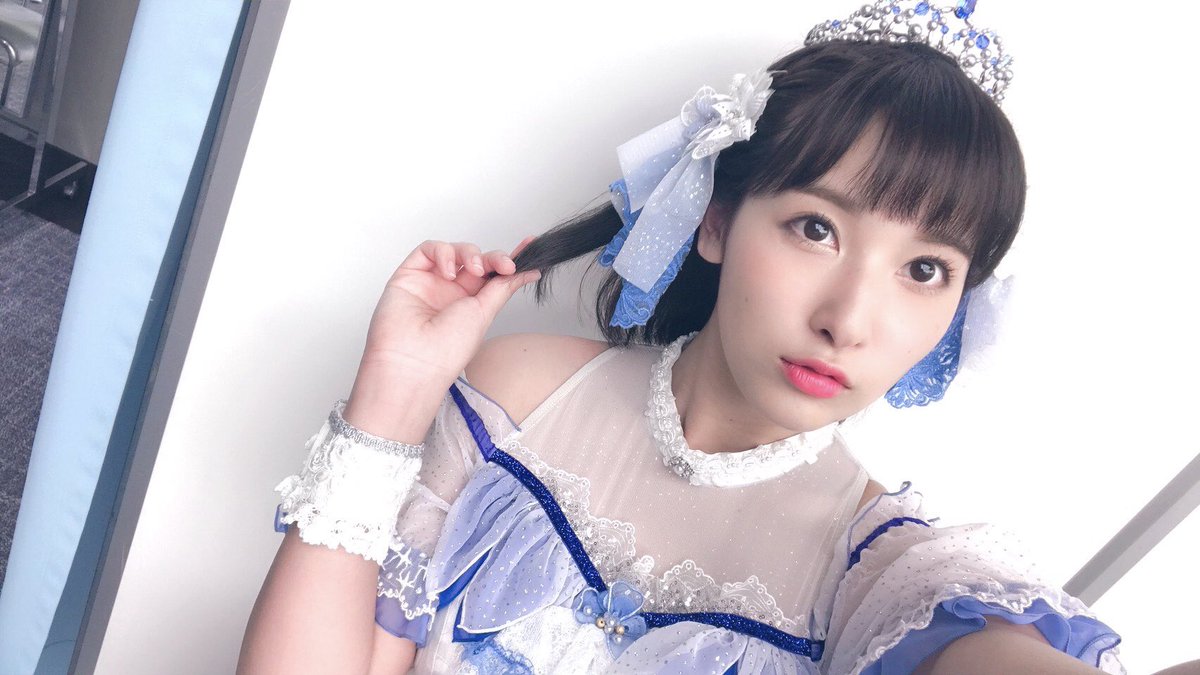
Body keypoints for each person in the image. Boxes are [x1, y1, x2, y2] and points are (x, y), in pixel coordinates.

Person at [237, 2, 1129, 673]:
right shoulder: (521, 399)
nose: (849, 319)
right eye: (817, 228)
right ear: (716, 218)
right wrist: (391, 400)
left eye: (924, 269)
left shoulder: (880, 575)